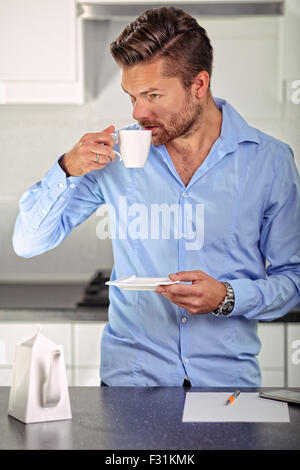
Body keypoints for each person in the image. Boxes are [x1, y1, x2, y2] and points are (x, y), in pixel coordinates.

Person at [13, 7, 300, 387]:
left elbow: (293, 281)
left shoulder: (269, 162)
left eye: (153, 94)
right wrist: (66, 168)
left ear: (199, 85)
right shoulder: (111, 157)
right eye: (131, 96)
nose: (138, 112)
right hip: (131, 386)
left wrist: (227, 297)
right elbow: (27, 243)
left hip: (227, 387)